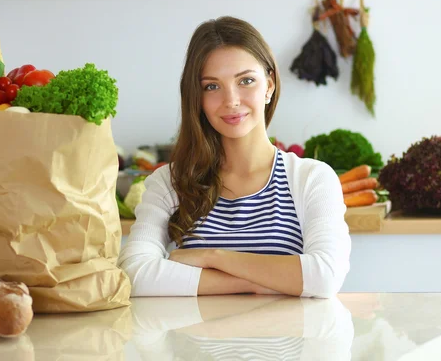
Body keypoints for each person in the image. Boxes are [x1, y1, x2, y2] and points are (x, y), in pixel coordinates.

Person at [118, 16, 351, 298]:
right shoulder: (170, 182)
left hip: (292, 341)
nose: (231, 100)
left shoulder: (312, 178)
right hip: (191, 343)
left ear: (269, 85)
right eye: (212, 86)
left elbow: (325, 277)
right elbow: (133, 273)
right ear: (197, 98)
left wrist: (214, 257)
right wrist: (260, 283)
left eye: (246, 81)